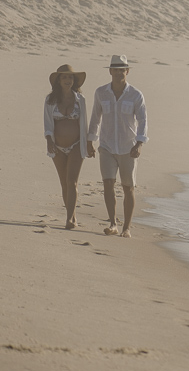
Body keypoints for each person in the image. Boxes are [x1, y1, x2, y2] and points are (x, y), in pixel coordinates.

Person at [86, 54, 148, 238]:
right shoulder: (101, 92)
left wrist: (139, 143)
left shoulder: (136, 95)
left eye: (123, 70)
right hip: (106, 145)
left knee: (128, 186)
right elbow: (95, 118)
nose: (119, 73)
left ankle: (126, 228)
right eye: (116, 70)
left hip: (128, 147)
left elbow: (143, 120)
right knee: (107, 184)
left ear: (127, 71)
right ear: (110, 71)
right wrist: (90, 141)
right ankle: (113, 223)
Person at [43, 64, 90, 230]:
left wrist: (89, 143)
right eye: (64, 77)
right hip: (57, 147)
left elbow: (84, 124)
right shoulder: (50, 100)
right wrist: (49, 140)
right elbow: (48, 123)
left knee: (72, 181)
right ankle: (72, 215)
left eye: (70, 77)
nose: (68, 80)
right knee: (64, 183)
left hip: (77, 145)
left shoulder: (80, 100)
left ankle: (70, 219)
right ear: (58, 80)